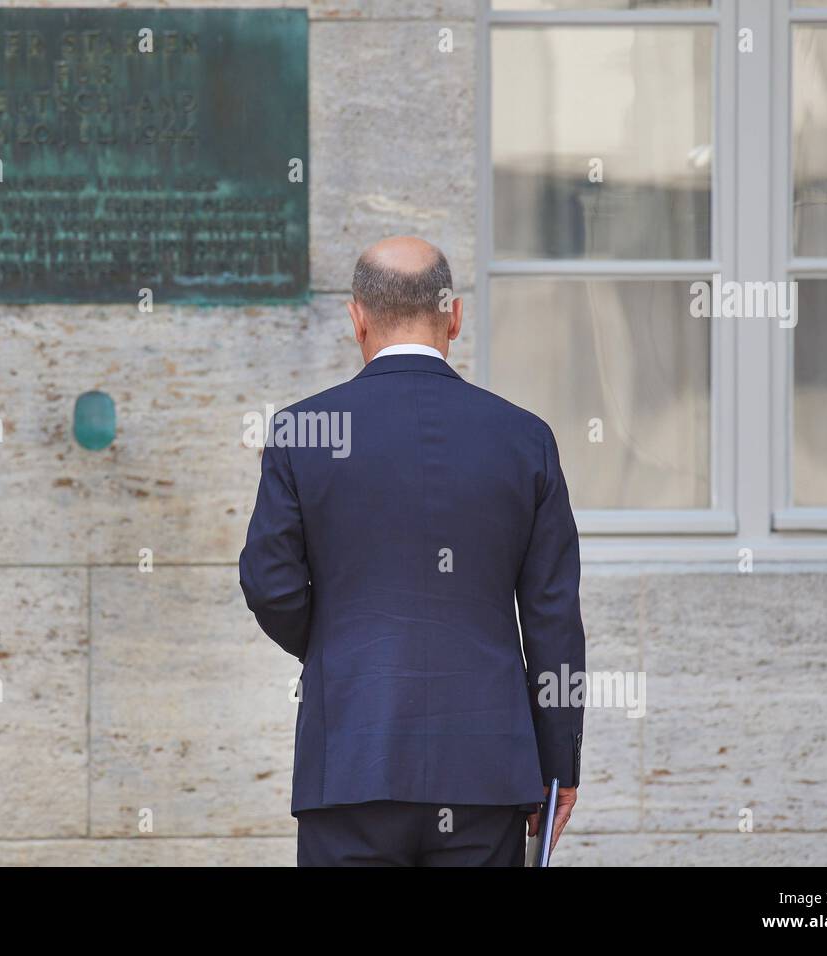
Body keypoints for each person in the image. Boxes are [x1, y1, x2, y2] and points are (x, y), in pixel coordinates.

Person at [239, 236, 586, 867]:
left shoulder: (301, 433)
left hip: (350, 762)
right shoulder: (525, 438)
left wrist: (337, 645)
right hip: (484, 774)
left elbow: (271, 586)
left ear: (356, 318)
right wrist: (558, 766)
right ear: (454, 315)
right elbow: (553, 620)